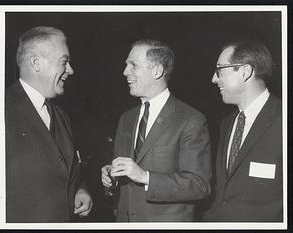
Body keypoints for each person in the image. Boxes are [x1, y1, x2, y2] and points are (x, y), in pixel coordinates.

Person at [101, 39, 212, 222]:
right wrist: (111, 179)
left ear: (157, 71)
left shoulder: (191, 119)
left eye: (133, 65)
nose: (125, 71)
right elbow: (124, 174)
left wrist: (145, 177)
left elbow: (199, 185)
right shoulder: (126, 118)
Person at [6, 26, 92, 222]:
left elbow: (69, 173)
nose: (70, 70)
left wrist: (81, 189)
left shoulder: (62, 116)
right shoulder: (1, 109)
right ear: (36, 63)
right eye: (64, 62)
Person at [203, 41, 283, 222]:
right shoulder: (227, 124)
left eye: (220, 70)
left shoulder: (283, 120)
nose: (214, 79)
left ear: (245, 72)